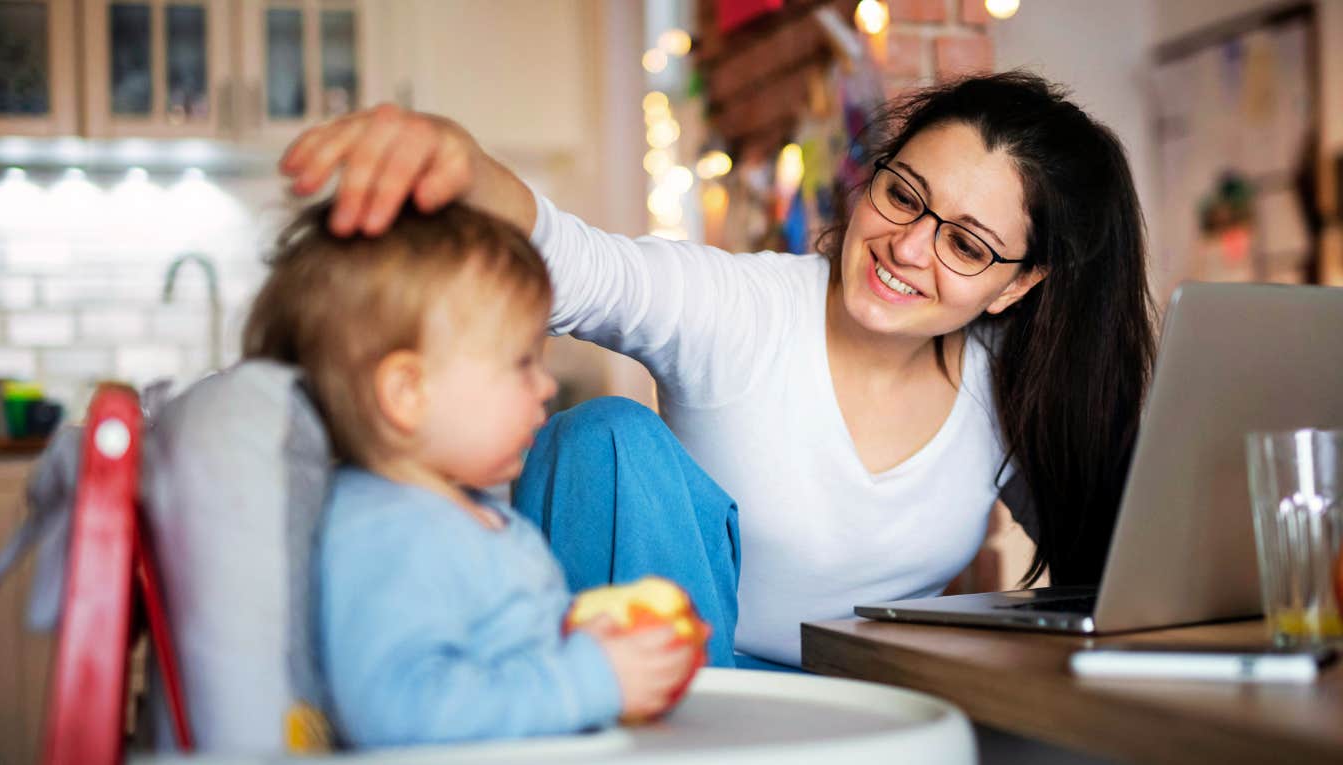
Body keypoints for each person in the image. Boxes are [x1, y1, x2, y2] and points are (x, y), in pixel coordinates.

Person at [278, 71, 1157, 669]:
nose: (907, 247)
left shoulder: (1016, 393)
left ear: (1019, 283)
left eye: (965, 243)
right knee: (608, 437)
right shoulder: (744, 309)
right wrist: (463, 165)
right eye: (901, 195)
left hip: (858, 716)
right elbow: (581, 266)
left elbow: (1123, 567)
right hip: (667, 687)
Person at [240, 202, 697, 746]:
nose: (546, 386)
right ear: (409, 393)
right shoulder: (386, 534)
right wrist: (589, 678)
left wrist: (586, 641)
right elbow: (396, 713)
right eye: (522, 362)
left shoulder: (468, 515)